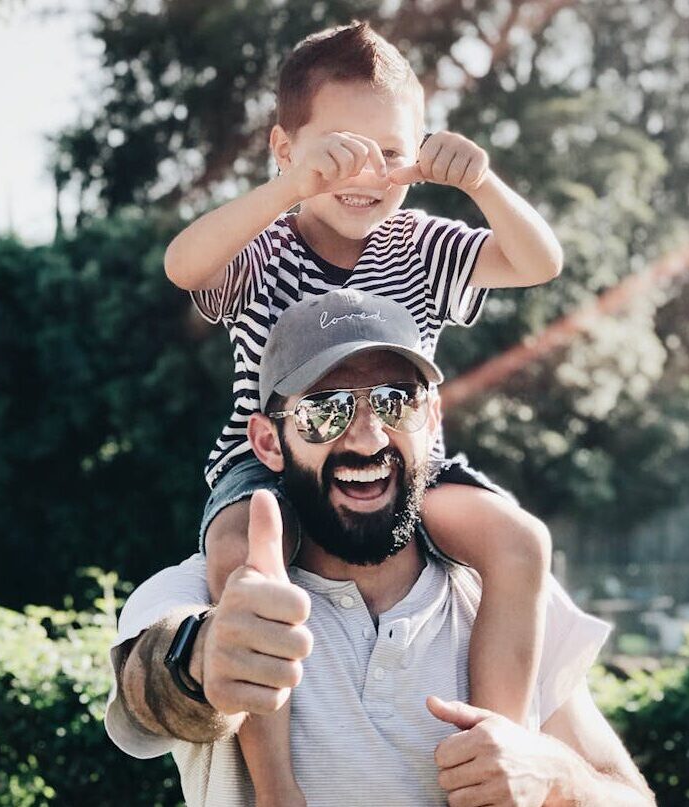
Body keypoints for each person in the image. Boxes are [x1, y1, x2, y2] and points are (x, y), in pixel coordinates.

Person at [162, 20, 564, 805]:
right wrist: (290, 189)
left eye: (389, 151)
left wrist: (481, 184)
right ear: (286, 147)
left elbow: (539, 261)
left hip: (408, 461)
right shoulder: (265, 246)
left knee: (520, 541)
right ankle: (277, 785)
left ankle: (490, 749)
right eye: (337, 148)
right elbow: (184, 265)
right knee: (244, 548)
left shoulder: (420, 243)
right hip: (275, 460)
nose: (365, 171)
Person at [106, 290, 656, 807]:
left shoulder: (501, 597)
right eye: (325, 410)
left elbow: (634, 798)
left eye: (397, 402)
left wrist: (558, 776)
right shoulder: (210, 592)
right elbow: (147, 686)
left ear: (432, 420)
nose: (368, 438)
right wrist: (197, 660)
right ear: (269, 442)